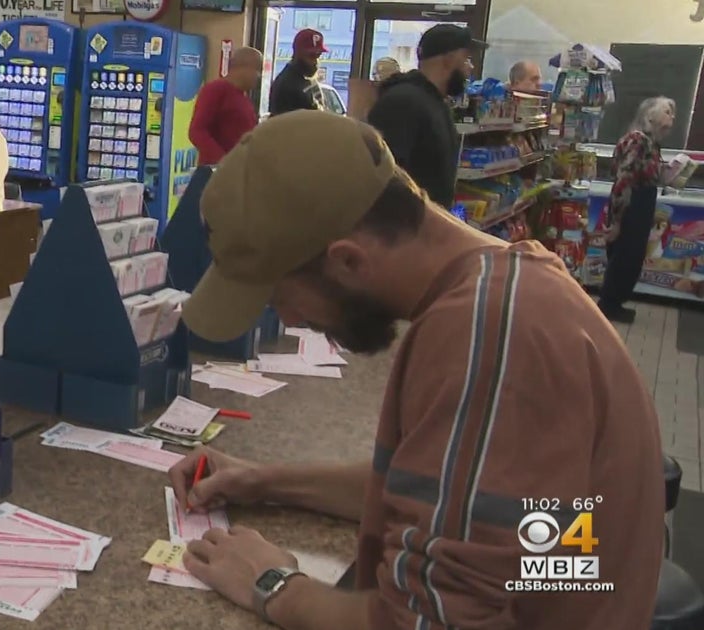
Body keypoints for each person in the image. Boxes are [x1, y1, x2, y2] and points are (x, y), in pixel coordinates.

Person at [169, 111, 662, 629]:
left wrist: (272, 585)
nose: (290, 319)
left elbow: (429, 624)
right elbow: (451, 502)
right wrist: (263, 482)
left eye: (277, 297)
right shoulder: (506, 283)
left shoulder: (485, 335)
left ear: (348, 262)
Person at [367, 24, 484, 208]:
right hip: (403, 230)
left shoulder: (436, 103)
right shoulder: (402, 102)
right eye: (466, 59)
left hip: (426, 227)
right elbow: (384, 176)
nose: (470, 67)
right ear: (448, 60)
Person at [598, 96, 676, 323]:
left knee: (632, 257)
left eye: (672, 112)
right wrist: (617, 221)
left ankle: (616, 302)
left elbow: (647, 173)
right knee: (624, 255)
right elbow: (624, 179)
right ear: (649, 115)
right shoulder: (638, 140)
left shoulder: (652, 143)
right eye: (666, 112)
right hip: (630, 204)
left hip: (642, 202)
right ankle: (608, 305)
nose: (672, 117)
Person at [189, 46, 262, 166]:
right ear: (243, 67)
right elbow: (197, 131)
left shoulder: (242, 97)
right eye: (257, 69)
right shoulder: (216, 90)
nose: (258, 76)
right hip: (219, 171)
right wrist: (223, 161)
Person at [268, 29, 326, 116]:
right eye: (311, 56)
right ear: (297, 54)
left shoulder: (308, 79)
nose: (315, 62)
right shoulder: (287, 83)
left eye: (318, 56)